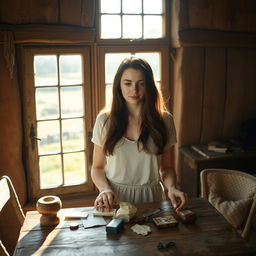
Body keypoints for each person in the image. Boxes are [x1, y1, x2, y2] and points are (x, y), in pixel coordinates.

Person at [91, 57, 187, 213]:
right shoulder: (105, 121)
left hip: (152, 198)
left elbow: (167, 168)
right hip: (114, 199)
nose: (134, 90)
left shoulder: (165, 120)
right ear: (118, 86)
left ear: (149, 86)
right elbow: (97, 168)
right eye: (127, 83)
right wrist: (104, 190)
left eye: (141, 84)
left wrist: (171, 188)